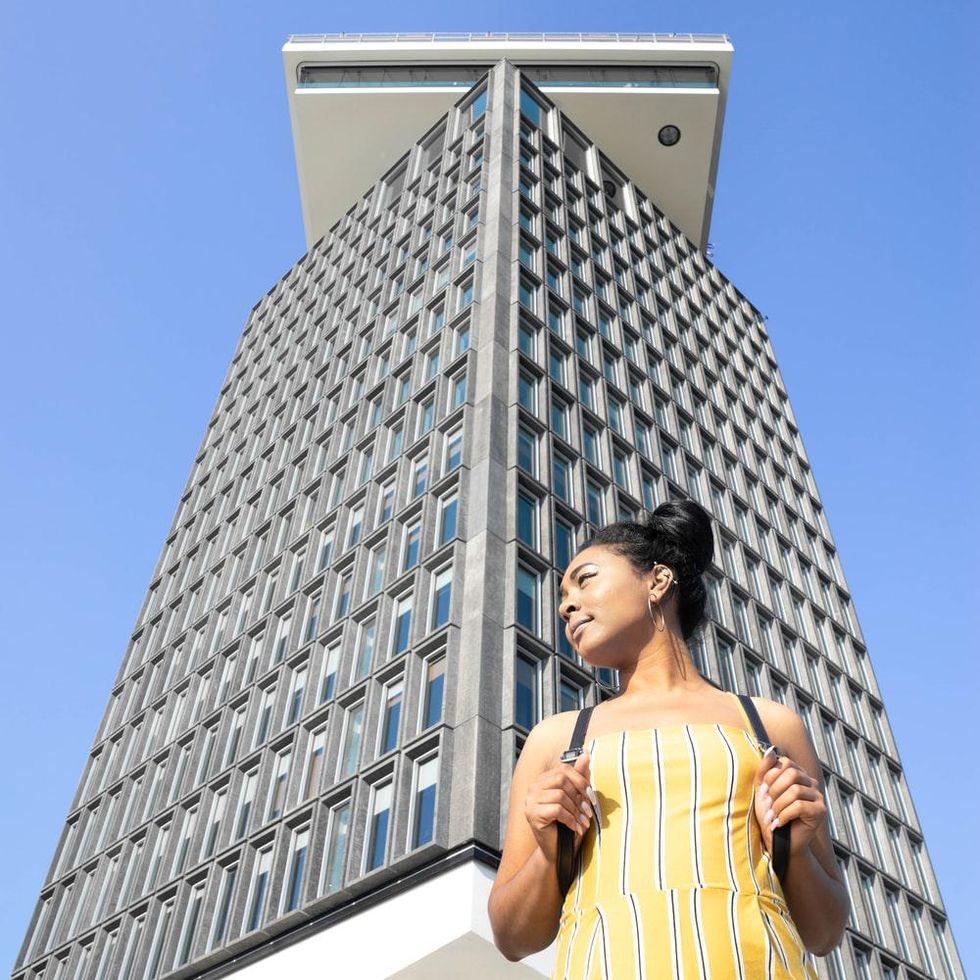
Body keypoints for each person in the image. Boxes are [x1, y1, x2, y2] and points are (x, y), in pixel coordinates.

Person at [488, 499, 849, 977]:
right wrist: (548, 853)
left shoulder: (769, 725)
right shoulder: (556, 739)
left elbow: (825, 934)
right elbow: (512, 938)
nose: (565, 604)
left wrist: (795, 850)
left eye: (585, 579)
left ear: (657, 581)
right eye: (561, 594)